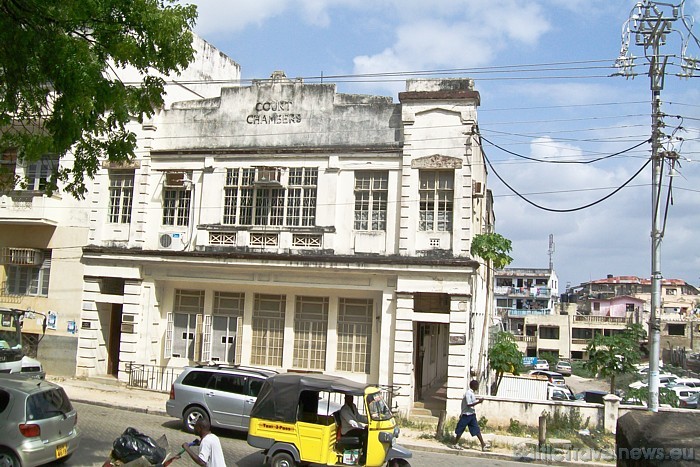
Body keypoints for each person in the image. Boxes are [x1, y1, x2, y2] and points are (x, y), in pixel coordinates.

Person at [453, 380, 490, 452]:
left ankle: (483, 445)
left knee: (476, 429)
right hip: (466, 415)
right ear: (473, 386)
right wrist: (478, 402)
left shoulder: (472, 393)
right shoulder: (468, 393)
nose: (478, 386)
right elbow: (469, 404)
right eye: (477, 385)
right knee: (461, 429)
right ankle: (455, 443)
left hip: (471, 414)